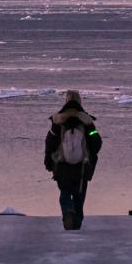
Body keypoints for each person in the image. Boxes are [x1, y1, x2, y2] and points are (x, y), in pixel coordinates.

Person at [45, 90, 102, 230]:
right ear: (80, 101)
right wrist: (91, 128)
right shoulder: (87, 121)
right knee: (79, 197)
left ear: (66, 101)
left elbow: (50, 142)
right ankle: (76, 224)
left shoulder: (57, 121)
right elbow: (96, 145)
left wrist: (48, 161)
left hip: (62, 166)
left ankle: (68, 212)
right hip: (82, 168)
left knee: (64, 193)